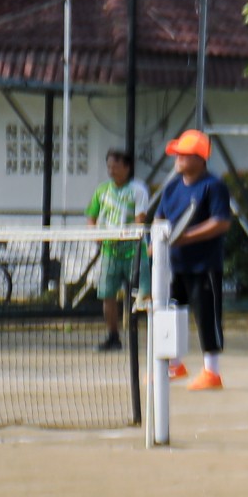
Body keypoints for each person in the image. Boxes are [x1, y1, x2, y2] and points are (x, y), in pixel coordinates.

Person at [152, 129, 234, 390]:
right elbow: (160, 218)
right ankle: (175, 365)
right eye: (177, 154)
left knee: (207, 316)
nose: (178, 158)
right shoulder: (172, 187)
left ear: (200, 158)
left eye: (184, 154)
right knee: (171, 314)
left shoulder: (214, 186)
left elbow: (221, 222)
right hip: (174, 265)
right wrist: (156, 242)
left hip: (204, 265)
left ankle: (212, 372)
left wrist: (186, 236)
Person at [87, 146, 147, 350]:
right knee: (107, 295)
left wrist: (138, 244)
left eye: (116, 166)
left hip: (132, 251)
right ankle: (113, 336)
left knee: (141, 295)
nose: (111, 170)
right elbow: (92, 215)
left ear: (127, 167)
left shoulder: (138, 190)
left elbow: (141, 220)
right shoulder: (102, 190)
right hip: (109, 251)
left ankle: (141, 337)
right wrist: (95, 235)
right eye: (109, 166)